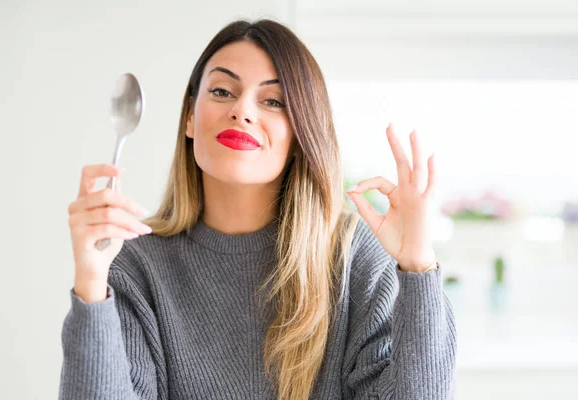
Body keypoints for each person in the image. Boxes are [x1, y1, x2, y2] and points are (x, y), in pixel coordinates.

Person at [60, 19, 456, 400]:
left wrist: (418, 266)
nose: (242, 110)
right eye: (221, 91)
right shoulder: (137, 264)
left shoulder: (354, 257)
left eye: (272, 100)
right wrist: (92, 286)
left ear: (301, 136)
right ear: (189, 118)